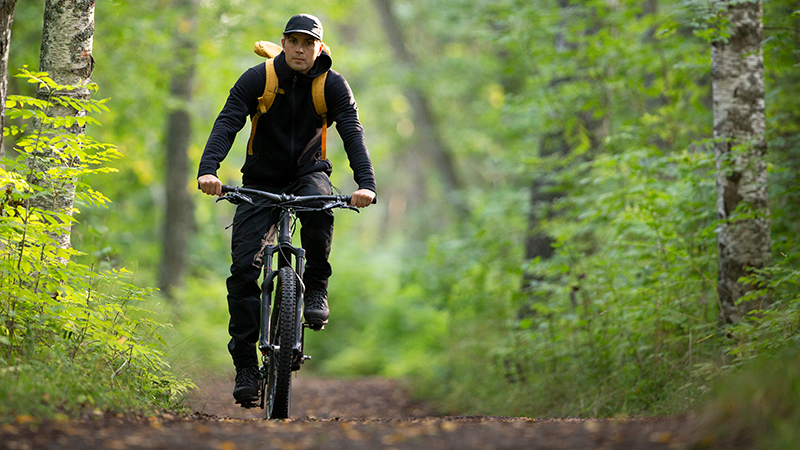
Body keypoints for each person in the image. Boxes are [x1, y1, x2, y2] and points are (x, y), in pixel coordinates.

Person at [197, 13, 377, 405]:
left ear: (319, 48)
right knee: (243, 273)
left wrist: (366, 184)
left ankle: (316, 287)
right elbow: (227, 122)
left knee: (321, 206)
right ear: (283, 43)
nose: (300, 49)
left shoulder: (332, 85)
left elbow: (352, 132)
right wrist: (208, 170)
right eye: (293, 41)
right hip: (260, 180)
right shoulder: (257, 79)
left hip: (309, 173)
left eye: (308, 42)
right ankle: (246, 366)